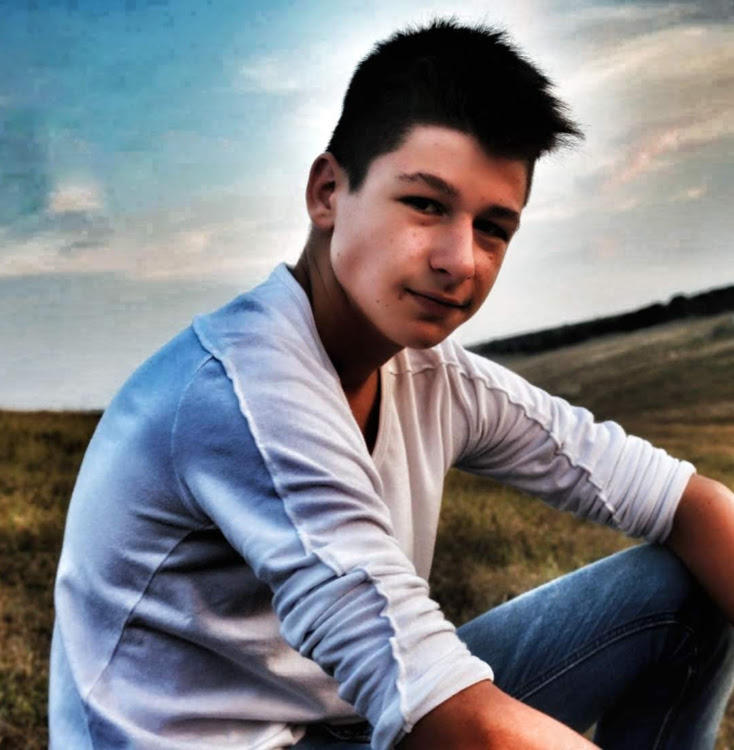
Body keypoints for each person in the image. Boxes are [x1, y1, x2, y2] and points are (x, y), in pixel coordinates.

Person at [49, 19, 734, 750]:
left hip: (340, 728)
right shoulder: (243, 392)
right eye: (426, 204)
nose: (459, 260)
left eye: (493, 227)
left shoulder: (432, 376)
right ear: (327, 192)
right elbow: (439, 716)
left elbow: (684, 500)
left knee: (682, 590)